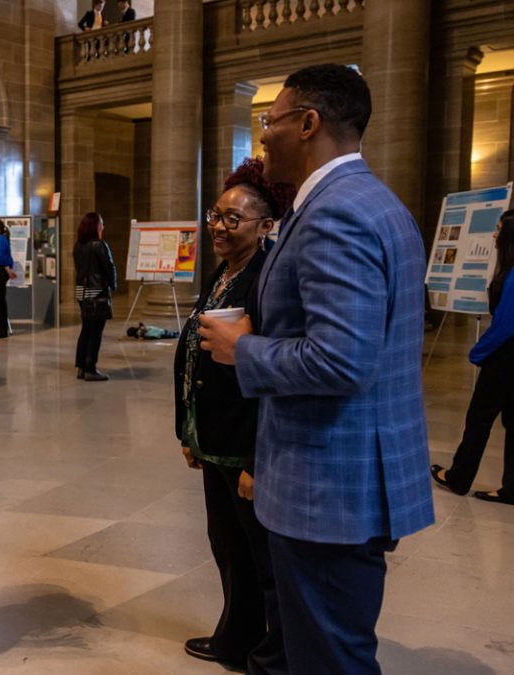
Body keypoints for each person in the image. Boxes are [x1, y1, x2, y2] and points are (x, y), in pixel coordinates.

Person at [198, 64, 433, 674]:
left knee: (330, 658)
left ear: (308, 124)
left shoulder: (335, 214)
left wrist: (241, 348)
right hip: (348, 475)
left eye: (269, 121)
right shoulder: (371, 202)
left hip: (330, 484)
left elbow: (342, 359)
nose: (262, 138)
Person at [174, 157, 295, 673]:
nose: (218, 227)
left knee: (263, 558)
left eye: (233, 219)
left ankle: (271, 657)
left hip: (246, 442)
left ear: (266, 226)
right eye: (215, 215)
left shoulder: (268, 279)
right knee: (227, 545)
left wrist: (255, 459)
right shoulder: (225, 271)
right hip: (213, 435)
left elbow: (269, 376)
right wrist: (189, 430)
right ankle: (236, 639)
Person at [431, 209, 514, 505]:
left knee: (479, 418)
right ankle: (511, 488)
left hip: (505, 361)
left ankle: (459, 477)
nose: (494, 234)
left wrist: (478, 352)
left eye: (498, 228)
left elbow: (506, 325)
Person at [73, 212, 116, 381]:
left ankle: (81, 367)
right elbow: (109, 267)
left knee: (86, 329)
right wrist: (113, 285)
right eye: (101, 224)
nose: (103, 227)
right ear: (96, 226)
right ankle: (90, 368)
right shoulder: (99, 245)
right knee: (95, 332)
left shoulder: (78, 245)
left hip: (82, 293)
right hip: (97, 293)